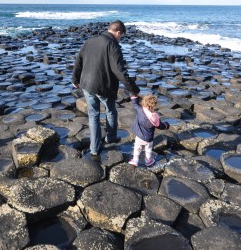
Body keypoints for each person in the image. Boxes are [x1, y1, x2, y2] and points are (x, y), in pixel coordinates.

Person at [72, 20, 140, 161]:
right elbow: (119, 71)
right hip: (103, 86)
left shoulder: (90, 40)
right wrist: (133, 89)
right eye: (121, 36)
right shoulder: (113, 44)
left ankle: (94, 149)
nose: (121, 38)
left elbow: (79, 59)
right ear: (118, 32)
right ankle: (111, 137)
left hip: (86, 84)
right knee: (110, 111)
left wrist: (75, 78)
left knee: (93, 115)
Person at [128, 94, 169, 167]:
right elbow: (160, 126)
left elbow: (135, 104)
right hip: (149, 138)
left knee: (137, 147)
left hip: (139, 136)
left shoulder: (139, 109)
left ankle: (135, 160)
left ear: (144, 102)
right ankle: (148, 160)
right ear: (154, 105)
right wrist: (166, 125)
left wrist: (134, 95)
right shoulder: (155, 117)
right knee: (148, 149)